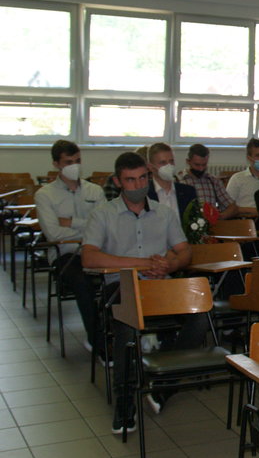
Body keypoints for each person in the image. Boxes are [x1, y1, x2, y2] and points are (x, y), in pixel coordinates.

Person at [82, 152, 205, 433]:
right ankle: (125, 401)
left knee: (200, 317)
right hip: (120, 285)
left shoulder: (164, 213)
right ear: (118, 182)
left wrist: (170, 265)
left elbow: (184, 251)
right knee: (127, 323)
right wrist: (141, 264)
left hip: (160, 284)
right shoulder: (103, 214)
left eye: (142, 178)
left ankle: (163, 385)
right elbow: (88, 257)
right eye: (130, 180)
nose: (137, 185)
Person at [34, 140, 105, 351]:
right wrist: (89, 229)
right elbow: (54, 233)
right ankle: (98, 342)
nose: (75, 166)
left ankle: (126, 334)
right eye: (68, 162)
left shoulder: (95, 191)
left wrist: (71, 222)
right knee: (83, 281)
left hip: (97, 250)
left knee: (123, 275)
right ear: (56, 164)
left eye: (78, 161)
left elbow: (104, 227)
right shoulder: (45, 195)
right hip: (65, 254)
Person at [178, 143, 238, 220]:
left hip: (210, 224)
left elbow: (232, 207)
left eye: (204, 165)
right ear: (188, 161)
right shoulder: (179, 181)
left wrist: (220, 217)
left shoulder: (213, 181)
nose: (201, 169)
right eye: (197, 165)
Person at [146, 143, 197, 220]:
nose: (169, 166)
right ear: (151, 167)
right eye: (163, 163)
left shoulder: (189, 192)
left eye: (171, 161)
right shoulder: (145, 194)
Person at [225, 138, 259, 216]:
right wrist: (254, 211)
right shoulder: (237, 179)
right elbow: (228, 206)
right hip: (244, 219)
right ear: (249, 158)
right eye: (258, 155)